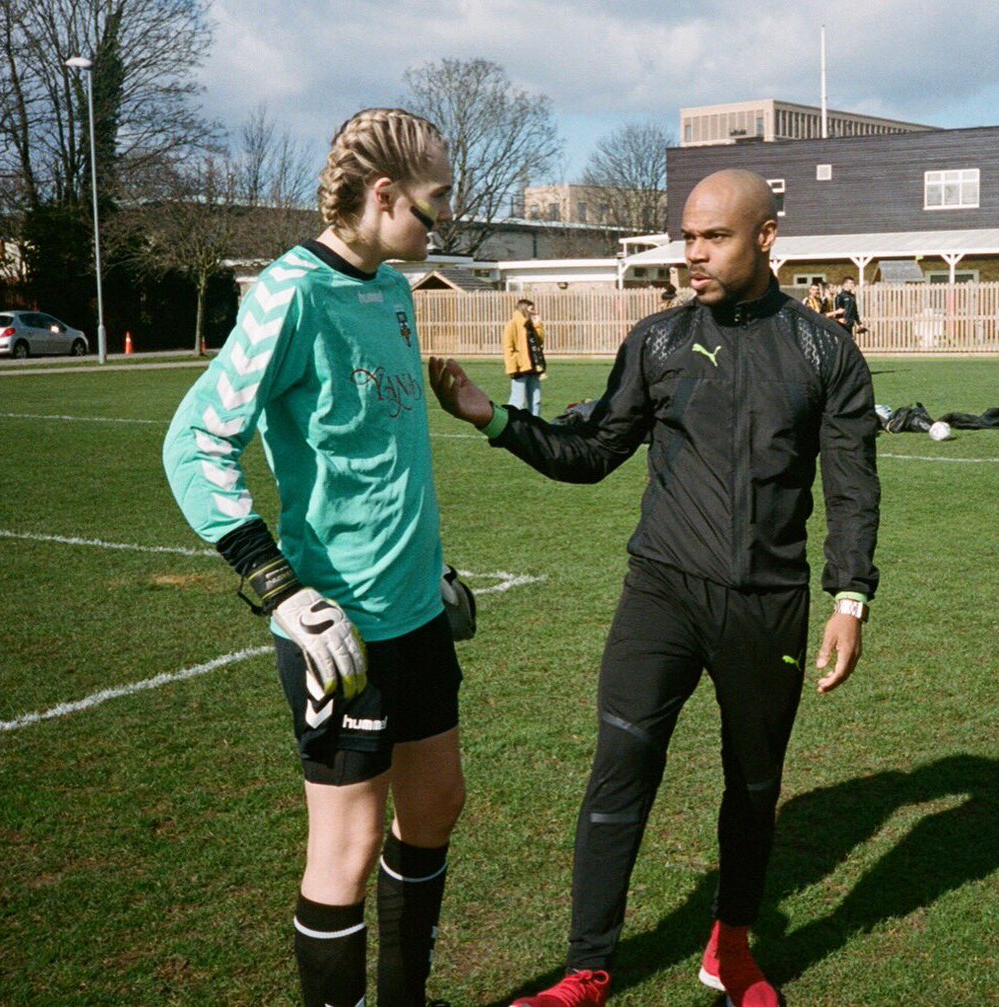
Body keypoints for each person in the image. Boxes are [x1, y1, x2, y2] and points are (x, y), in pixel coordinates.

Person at [429, 168, 880, 1007]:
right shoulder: (658, 341)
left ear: (766, 239)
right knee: (621, 766)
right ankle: (586, 970)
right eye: (688, 237)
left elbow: (853, 487)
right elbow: (593, 450)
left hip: (767, 602)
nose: (693, 254)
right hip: (662, 591)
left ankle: (731, 948)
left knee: (754, 786)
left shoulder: (826, 351)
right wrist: (495, 419)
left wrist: (849, 598)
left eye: (714, 237)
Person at [163, 108, 464, 1007]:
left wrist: (429, 564)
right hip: (341, 630)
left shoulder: (395, 291)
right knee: (347, 845)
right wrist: (280, 589)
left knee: (437, 803)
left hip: (416, 610)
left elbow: (379, 455)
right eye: (437, 200)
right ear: (385, 195)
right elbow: (195, 444)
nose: (444, 220)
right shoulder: (290, 294)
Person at [503, 298, 546, 415]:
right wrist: (512, 368)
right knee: (517, 402)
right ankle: (511, 423)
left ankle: (535, 424)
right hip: (519, 369)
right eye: (531, 309)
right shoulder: (512, 324)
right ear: (524, 309)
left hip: (534, 367)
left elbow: (540, 341)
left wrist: (538, 324)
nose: (534, 312)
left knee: (536, 401)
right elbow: (508, 348)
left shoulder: (531, 325)